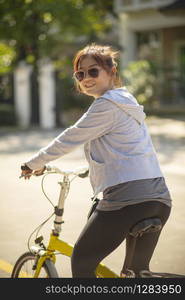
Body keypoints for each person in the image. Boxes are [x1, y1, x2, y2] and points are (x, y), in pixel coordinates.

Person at [21, 43, 172, 278]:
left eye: (93, 71)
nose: (86, 78)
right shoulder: (126, 101)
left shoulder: (106, 105)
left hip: (127, 199)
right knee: (136, 275)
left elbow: (70, 137)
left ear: (112, 71)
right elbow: (125, 151)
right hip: (159, 198)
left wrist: (32, 163)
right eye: (80, 74)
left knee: (81, 262)